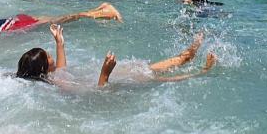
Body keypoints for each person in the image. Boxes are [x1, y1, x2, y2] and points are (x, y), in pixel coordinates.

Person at [15, 27, 216, 87]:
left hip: (119, 73)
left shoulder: (52, 78)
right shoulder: (59, 85)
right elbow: (96, 95)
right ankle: (202, 72)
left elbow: (62, 69)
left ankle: (188, 56)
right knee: (160, 79)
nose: (52, 57)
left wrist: (60, 43)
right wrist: (105, 73)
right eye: (49, 56)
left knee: (154, 69)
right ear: (43, 68)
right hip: (117, 80)